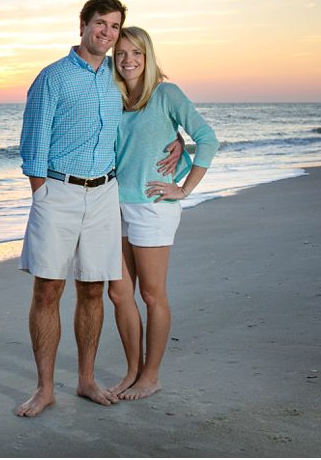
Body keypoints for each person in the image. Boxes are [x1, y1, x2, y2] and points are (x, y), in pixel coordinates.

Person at [16, 0, 182, 417]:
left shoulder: (117, 77)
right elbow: (32, 147)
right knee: (48, 289)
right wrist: (44, 194)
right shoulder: (52, 78)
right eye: (100, 24)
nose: (107, 33)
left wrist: (179, 142)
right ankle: (45, 388)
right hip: (59, 193)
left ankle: (87, 380)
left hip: (106, 195)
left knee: (93, 289)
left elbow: (151, 111)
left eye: (113, 26)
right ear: (83, 25)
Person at [106, 26, 219, 400]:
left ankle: (151, 375)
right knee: (120, 295)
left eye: (136, 53)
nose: (128, 60)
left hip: (153, 207)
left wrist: (184, 187)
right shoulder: (112, 96)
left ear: (148, 56)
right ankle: (131, 371)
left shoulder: (166, 93)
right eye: (121, 53)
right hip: (112, 204)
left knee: (153, 296)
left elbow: (208, 138)